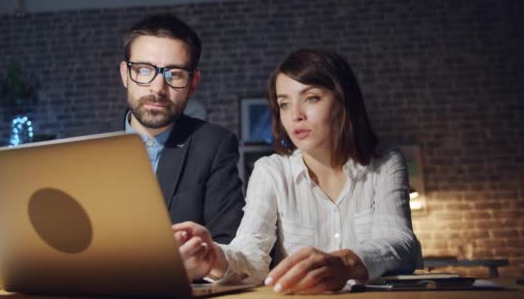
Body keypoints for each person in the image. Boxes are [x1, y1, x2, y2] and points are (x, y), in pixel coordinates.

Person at [173, 49, 423, 293]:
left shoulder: (386, 163)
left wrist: (344, 263)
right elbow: (251, 253)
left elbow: (399, 242)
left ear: (343, 101)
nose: (295, 115)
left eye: (311, 98)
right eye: (284, 104)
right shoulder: (270, 171)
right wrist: (214, 258)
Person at [119, 13, 244, 245]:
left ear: (193, 82)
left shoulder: (214, 146)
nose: (158, 88)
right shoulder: (80, 144)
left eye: (174, 74)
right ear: (126, 74)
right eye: (145, 70)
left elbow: (229, 246)